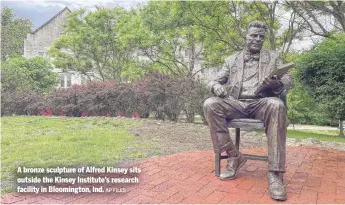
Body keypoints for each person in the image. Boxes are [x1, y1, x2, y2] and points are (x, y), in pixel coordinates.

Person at [203, 21, 293, 201]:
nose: (257, 39)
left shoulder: (273, 57)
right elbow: (214, 80)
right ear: (246, 37)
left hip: (261, 103)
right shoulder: (231, 60)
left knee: (277, 105)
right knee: (210, 104)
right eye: (254, 35)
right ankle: (234, 156)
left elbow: (289, 80)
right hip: (236, 103)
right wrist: (215, 87)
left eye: (261, 36)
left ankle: (275, 174)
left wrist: (275, 83)